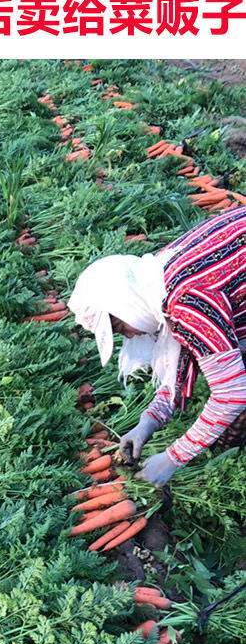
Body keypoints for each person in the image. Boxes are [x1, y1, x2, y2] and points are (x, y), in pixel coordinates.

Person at [68, 206, 246, 485]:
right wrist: (148, 422)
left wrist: (173, 457)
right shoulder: (156, 278)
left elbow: (232, 394)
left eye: (118, 326)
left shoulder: (187, 301)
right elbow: (184, 352)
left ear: (125, 306)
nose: (126, 336)